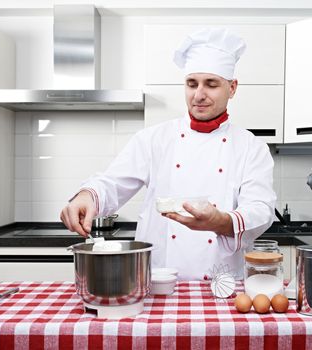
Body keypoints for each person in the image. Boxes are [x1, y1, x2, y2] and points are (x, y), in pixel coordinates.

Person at [60, 28, 276, 280]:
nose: (199, 95)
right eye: (192, 84)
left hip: (222, 283)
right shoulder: (153, 139)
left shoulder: (251, 147)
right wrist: (87, 196)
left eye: (211, 84)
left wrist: (219, 221)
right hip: (159, 279)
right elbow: (112, 183)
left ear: (232, 87)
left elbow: (260, 210)